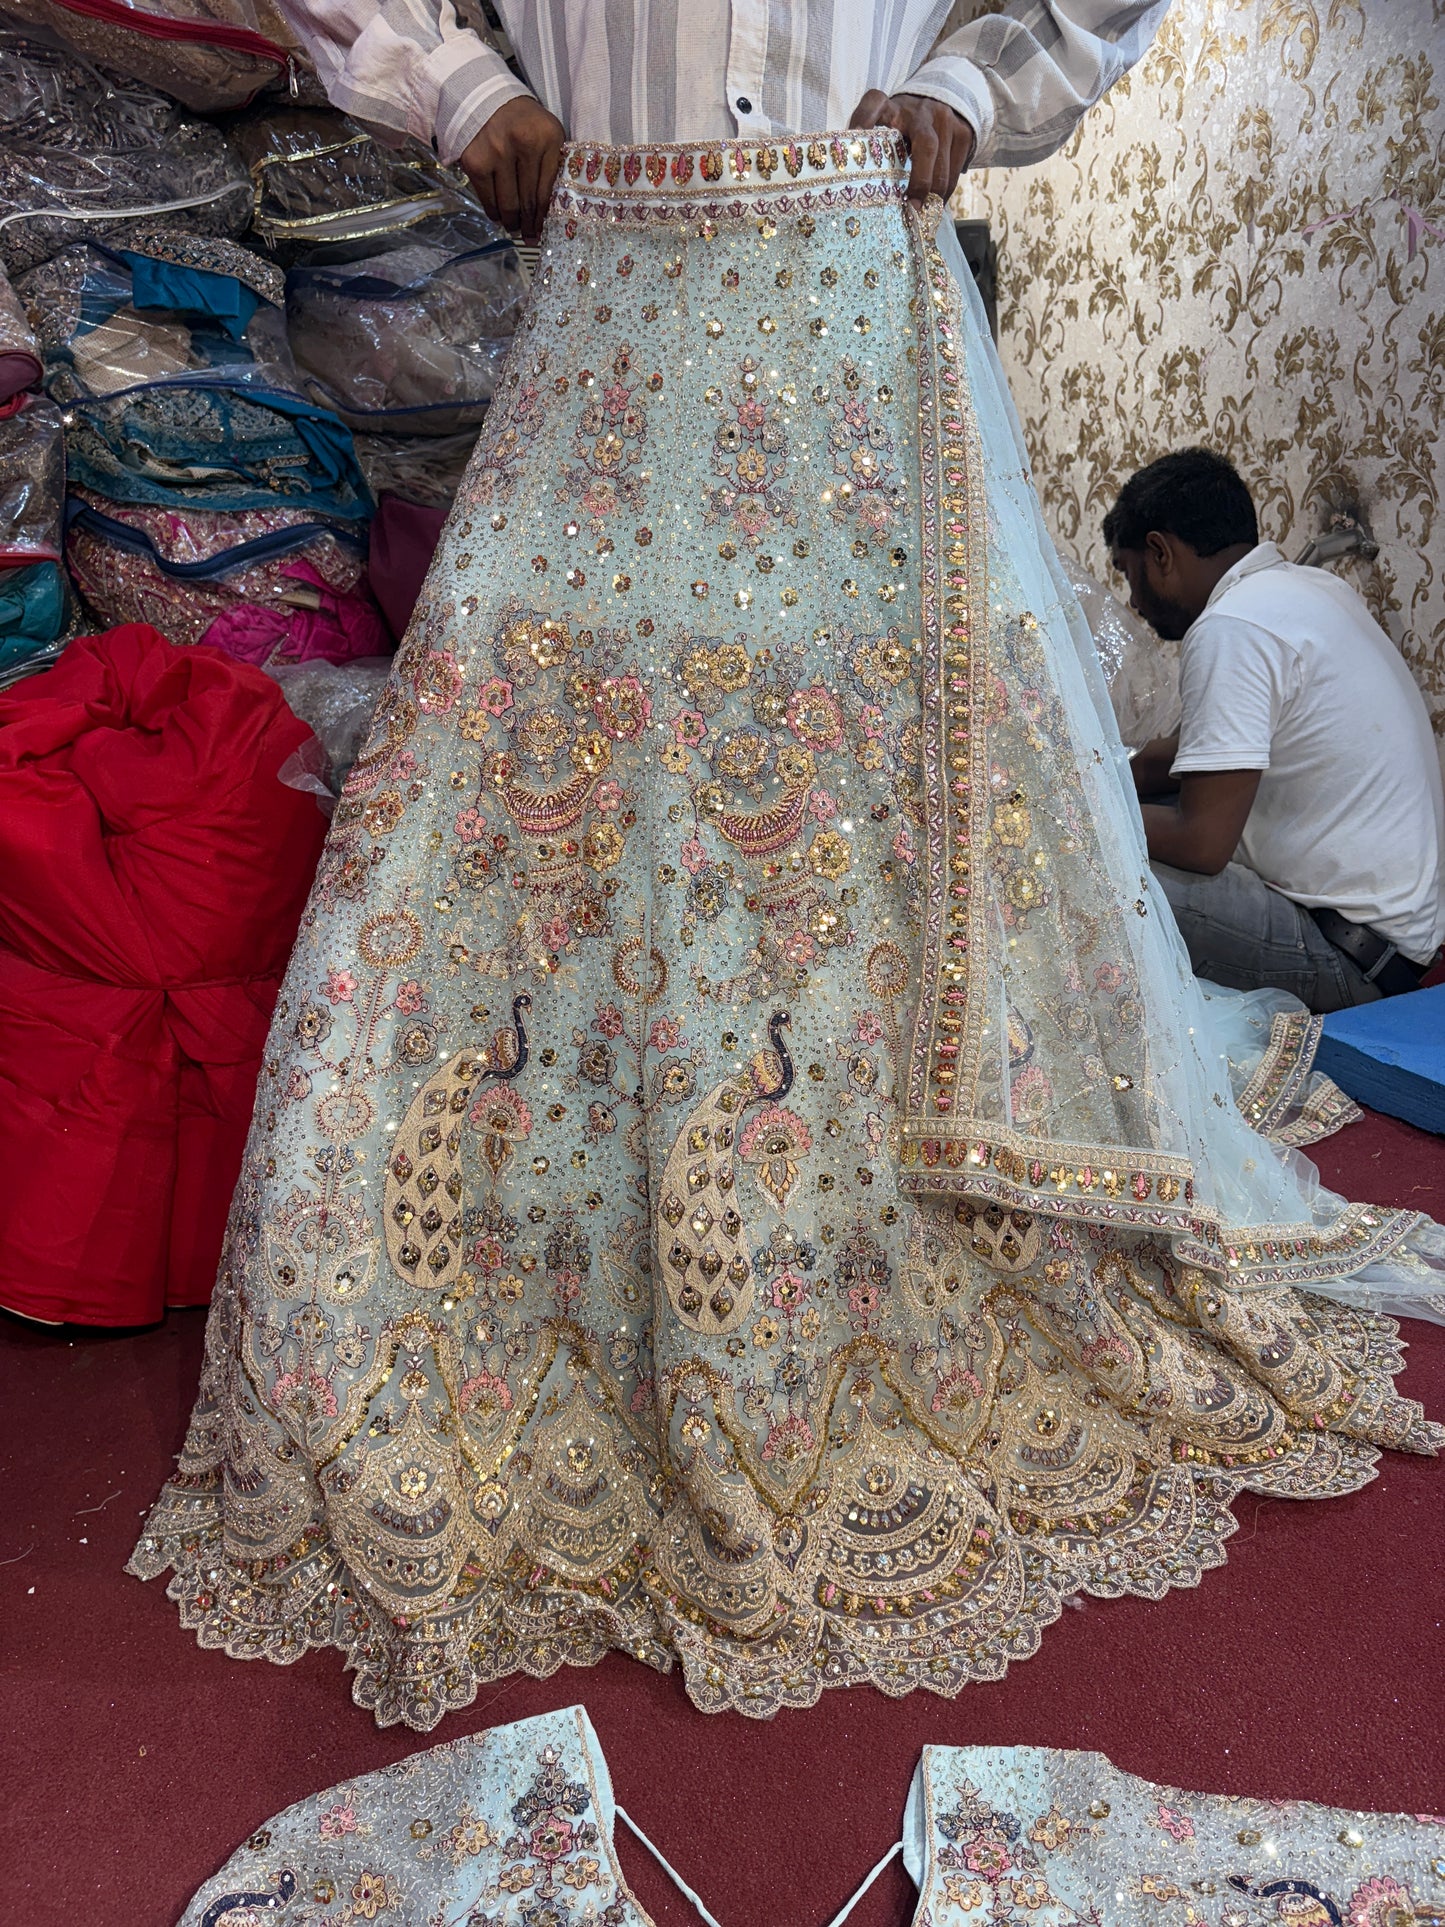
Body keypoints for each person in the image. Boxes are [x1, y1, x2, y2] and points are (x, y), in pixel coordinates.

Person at [133, 6, 1445, 1733]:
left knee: (880, 831)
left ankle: (853, 1294)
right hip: (611, 307)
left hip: (859, 311)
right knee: (546, 822)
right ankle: (564, 1286)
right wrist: (454, 81)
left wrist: (974, 79)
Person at [1105, 448, 1445, 1012]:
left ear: (1160, 552)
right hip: (1397, 942)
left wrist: (1074, 805)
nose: (1134, 601)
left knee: (1084, 861)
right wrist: (1108, 769)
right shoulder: (1308, 591)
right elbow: (1195, 754)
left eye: (1128, 573)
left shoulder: (1230, 627)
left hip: (1349, 959)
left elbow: (1201, 842)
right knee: (1134, 807)